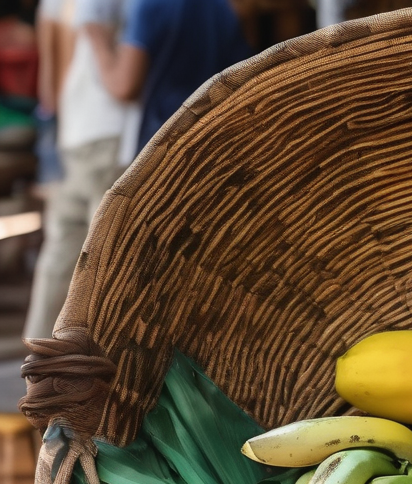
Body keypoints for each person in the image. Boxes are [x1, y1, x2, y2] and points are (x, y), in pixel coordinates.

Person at [23, 0, 133, 341]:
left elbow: (49, 89)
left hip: (75, 131)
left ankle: (38, 361)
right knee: (109, 258)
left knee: (64, 251)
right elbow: (127, 79)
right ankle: (105, 367)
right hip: (113, 130)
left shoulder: (52, 6)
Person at [85, 0, 252, 161]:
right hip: (216, 139)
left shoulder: (149, 4)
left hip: (163, 146)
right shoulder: (230, 7)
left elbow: (124, 87)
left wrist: (96, 37)